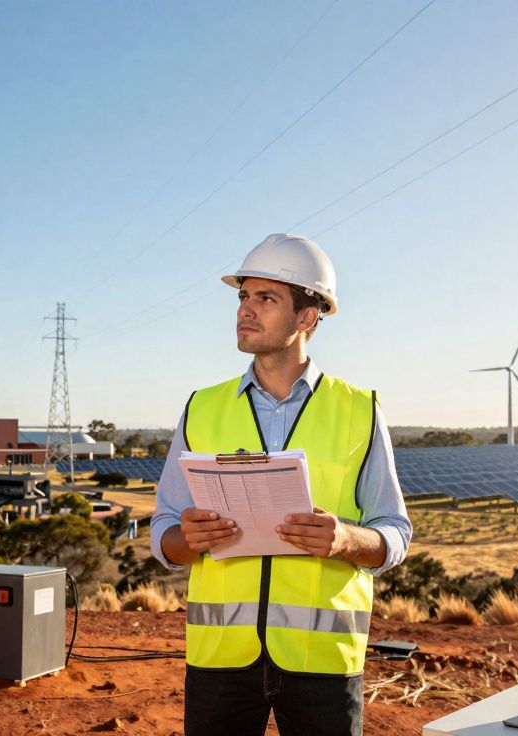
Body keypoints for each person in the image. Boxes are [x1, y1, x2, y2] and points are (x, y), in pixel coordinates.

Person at [151, 233, 412, 736]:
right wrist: (187, 539)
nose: (245, 310)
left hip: (324, 663)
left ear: (307, 317)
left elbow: (395, 533)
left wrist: (347, 539)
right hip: (220, 659)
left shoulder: (360, 410)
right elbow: (164, 529)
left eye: (265, 298)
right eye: (243, 296)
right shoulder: (202, 407)